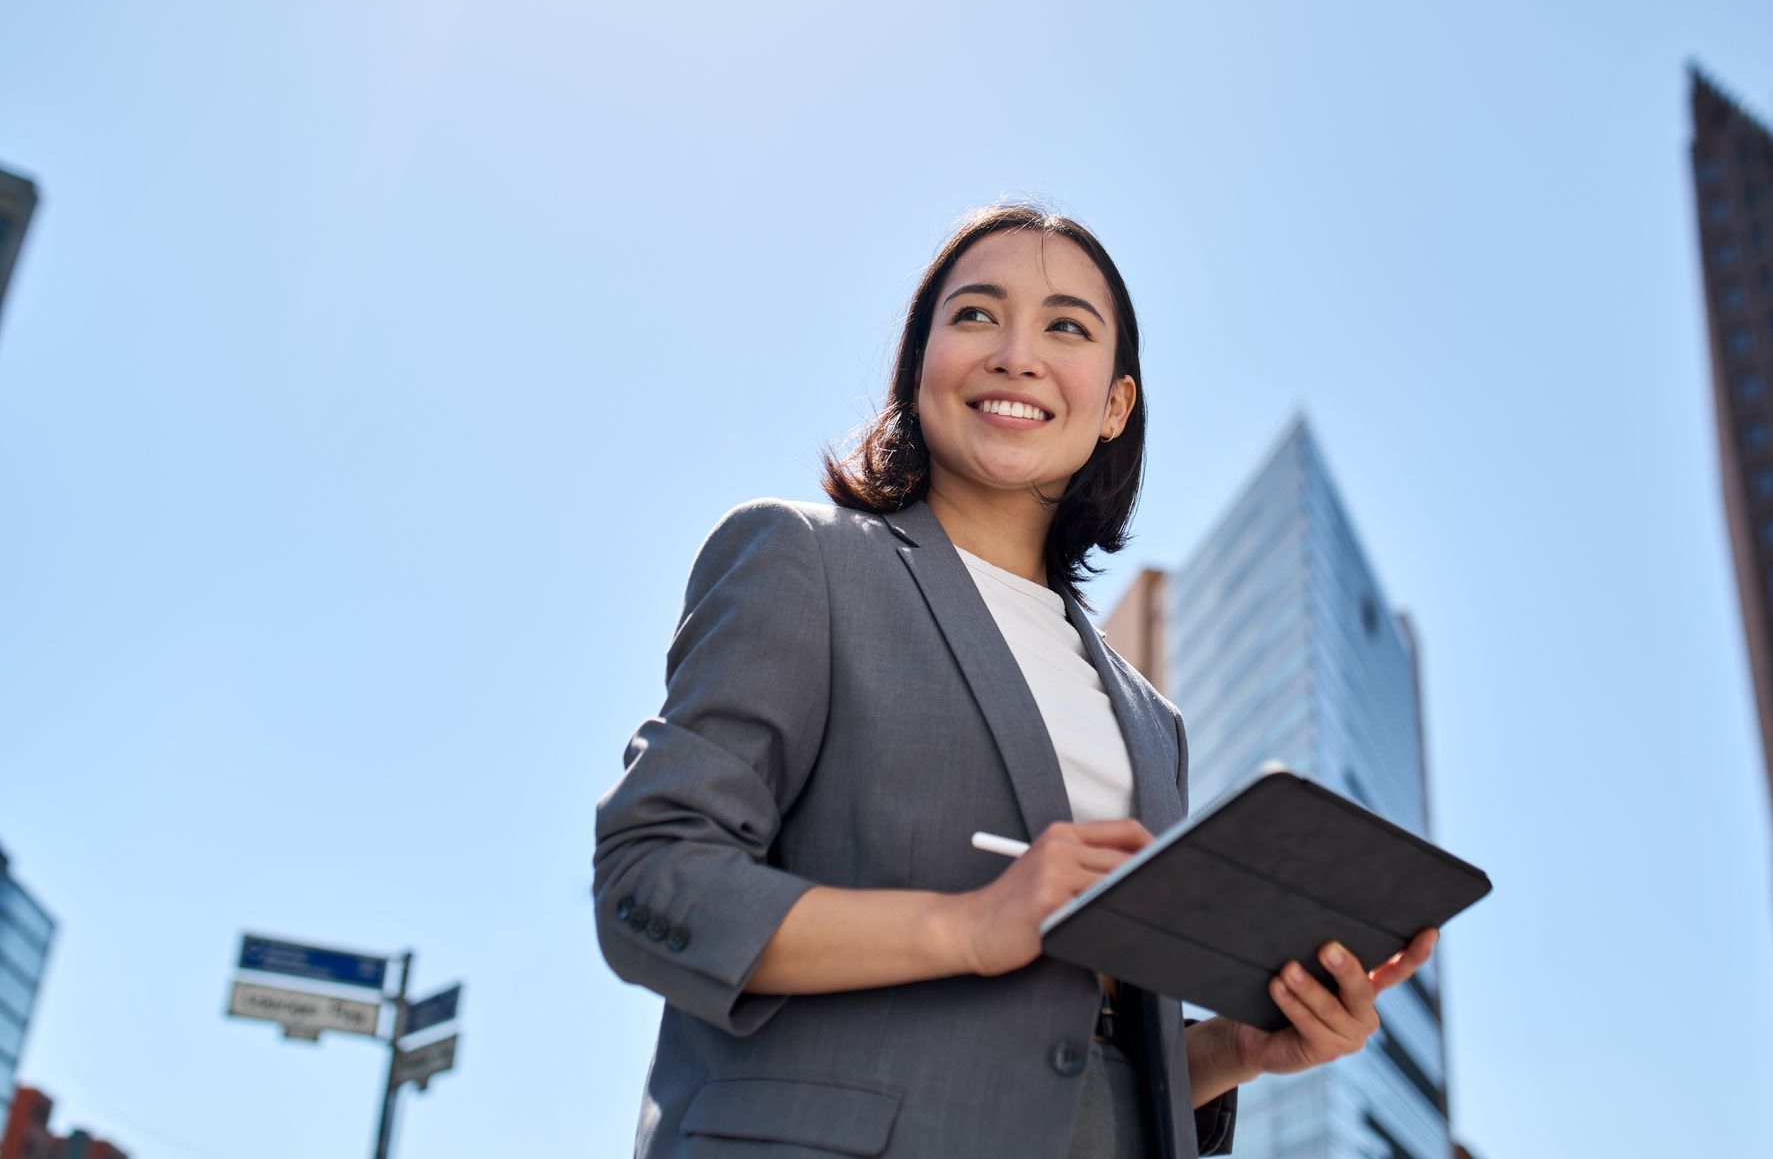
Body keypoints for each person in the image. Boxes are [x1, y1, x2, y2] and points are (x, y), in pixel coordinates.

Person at [593, 203, 1439, 1158]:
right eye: (975, 316)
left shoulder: (1152, 721)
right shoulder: (804, 559)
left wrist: (1236, 1047)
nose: (1016, 354)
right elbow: (651, 882)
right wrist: (969, 926)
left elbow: (1075, 1054)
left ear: (1115, 406)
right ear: (921, 367)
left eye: (1066, 328)